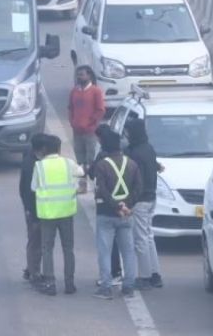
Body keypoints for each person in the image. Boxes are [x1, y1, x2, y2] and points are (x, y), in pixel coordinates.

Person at [31, 134, 83, 296]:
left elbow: (34, 188)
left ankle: (50, 283)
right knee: (68, 249)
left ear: (44, 149)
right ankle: (69, 283)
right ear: (59, 149)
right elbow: (81, 173)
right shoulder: (68, 163)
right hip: (66, 211)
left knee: (48, 249)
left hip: (47, 213)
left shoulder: (39, 166)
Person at [91, 129, 140, 299]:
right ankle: (128, 287)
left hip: (106, 213)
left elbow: (101, 190)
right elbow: (138, 188)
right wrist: (126, 205)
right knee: (128, 251)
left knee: (105, 251)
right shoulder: (132, 164)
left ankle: (105, 287)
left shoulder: (102, 165)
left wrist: (116, 205)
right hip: (126, 215)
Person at [125, 119, 163, 290]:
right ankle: (155, 273)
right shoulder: (149, 149)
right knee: (148, 236)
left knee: (140, 238)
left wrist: (130, 200)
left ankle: (145, 276)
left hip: (140, 200)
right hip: (151, 197)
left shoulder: (134, 153)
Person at [19, 134, 48, 283]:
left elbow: (22, 189)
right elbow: (29, 192)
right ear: (43, 148)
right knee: (35, 243)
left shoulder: (29, 160)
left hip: (32, 209)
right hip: (35, 210)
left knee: (35, 241)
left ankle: (31, 268)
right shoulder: (33, 165)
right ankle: (33, 273)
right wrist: (31, 211)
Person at [68, 66, 105, 166]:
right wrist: (72, 122)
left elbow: (100, 110)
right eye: (78, 75)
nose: (79, 77)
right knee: (79, 157)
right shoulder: (74, 91)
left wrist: (91, 124)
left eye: (81, 75)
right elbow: (70, 108)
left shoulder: (96, 91)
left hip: (90, 132)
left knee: (90, 157)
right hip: (77, 131)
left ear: (89, 76)